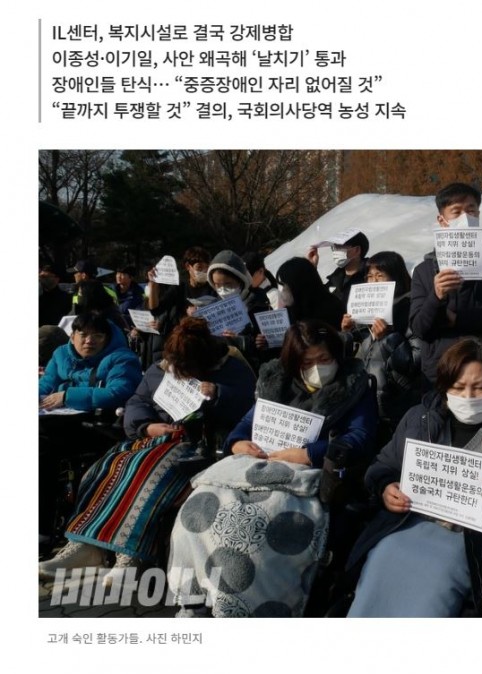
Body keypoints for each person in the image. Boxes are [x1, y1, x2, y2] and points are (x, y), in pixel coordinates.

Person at [167, 320, 378, 617]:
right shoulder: (276, 383)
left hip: (306, 475)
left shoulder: (353, 386)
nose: (318, 368)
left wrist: (310, 453)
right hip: (255, 466)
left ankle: (245, 605)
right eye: (308, 363)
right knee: (198, 508)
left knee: (250, 527)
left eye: (324, 359)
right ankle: (195, 598)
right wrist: (238, 443)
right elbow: (246, 425)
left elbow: (361, 437)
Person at [346, 337, 482, 617]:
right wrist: (385, 488)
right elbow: (382, 466)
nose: (469, 397)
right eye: (458, 387)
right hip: (406, 527)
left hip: (475, 544)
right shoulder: (420, 419)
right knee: (380, 560)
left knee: (436, 582)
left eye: (481, 387)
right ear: (444, 386)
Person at [38, 317, 256, 583]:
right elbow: (138, 401)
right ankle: (85, 544)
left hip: (199, 445)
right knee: (109, 467)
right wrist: (146, 426)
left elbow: (248, 408)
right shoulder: (162, 368)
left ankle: (130, 554)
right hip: (153, 439)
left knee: (150, 472)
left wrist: (218, 393)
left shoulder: (231, 368)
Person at [409, 182, 482, 387]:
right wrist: (436, 296)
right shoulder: (424, 270)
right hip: (441, 373)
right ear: (442, 220)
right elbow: (419, 328)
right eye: (456, 212)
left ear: (478, 214)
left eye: (471, 210)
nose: (465, 218)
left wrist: (459, 319)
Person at [38, 312, 143, 537]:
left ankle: (42, 527)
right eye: (83, 334)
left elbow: (118, 392)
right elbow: (46, 385)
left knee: (41, 448)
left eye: (97, 336)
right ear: (72, 335)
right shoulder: (61, 354)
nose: (89, 341)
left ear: (107, 338)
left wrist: (67, 396)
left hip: (98, 426)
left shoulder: (122, 358)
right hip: (57, 421)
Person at [340, 251, 421, 443]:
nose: (373, 281)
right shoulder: (363, 311)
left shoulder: (410, 308)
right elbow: (354, 355)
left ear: (396, 278)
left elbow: (415, 361)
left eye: (380, 275)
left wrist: (389, 338)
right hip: (366, 400)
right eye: (369, 276)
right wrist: (346, 333)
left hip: (396, 401)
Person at [206, 249, 271, 368]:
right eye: (217, 285)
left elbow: (267, 343)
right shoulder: (215, 307)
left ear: (241, 280)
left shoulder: (258, 302)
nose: (222, 290)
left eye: (228, 284)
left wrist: (240, 340)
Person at [276, 256, 346, 330]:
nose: (282, 290)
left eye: (284, 285)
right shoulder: (290, 311)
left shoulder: (329, 311)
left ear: (297, 287)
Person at [306, 230, 370, 304]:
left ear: (356, 250)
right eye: (334, 247)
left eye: (340, 246)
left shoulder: (372, 275)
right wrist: (311, 267)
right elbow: (318, 298)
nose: (335, 251)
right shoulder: (335, 279)